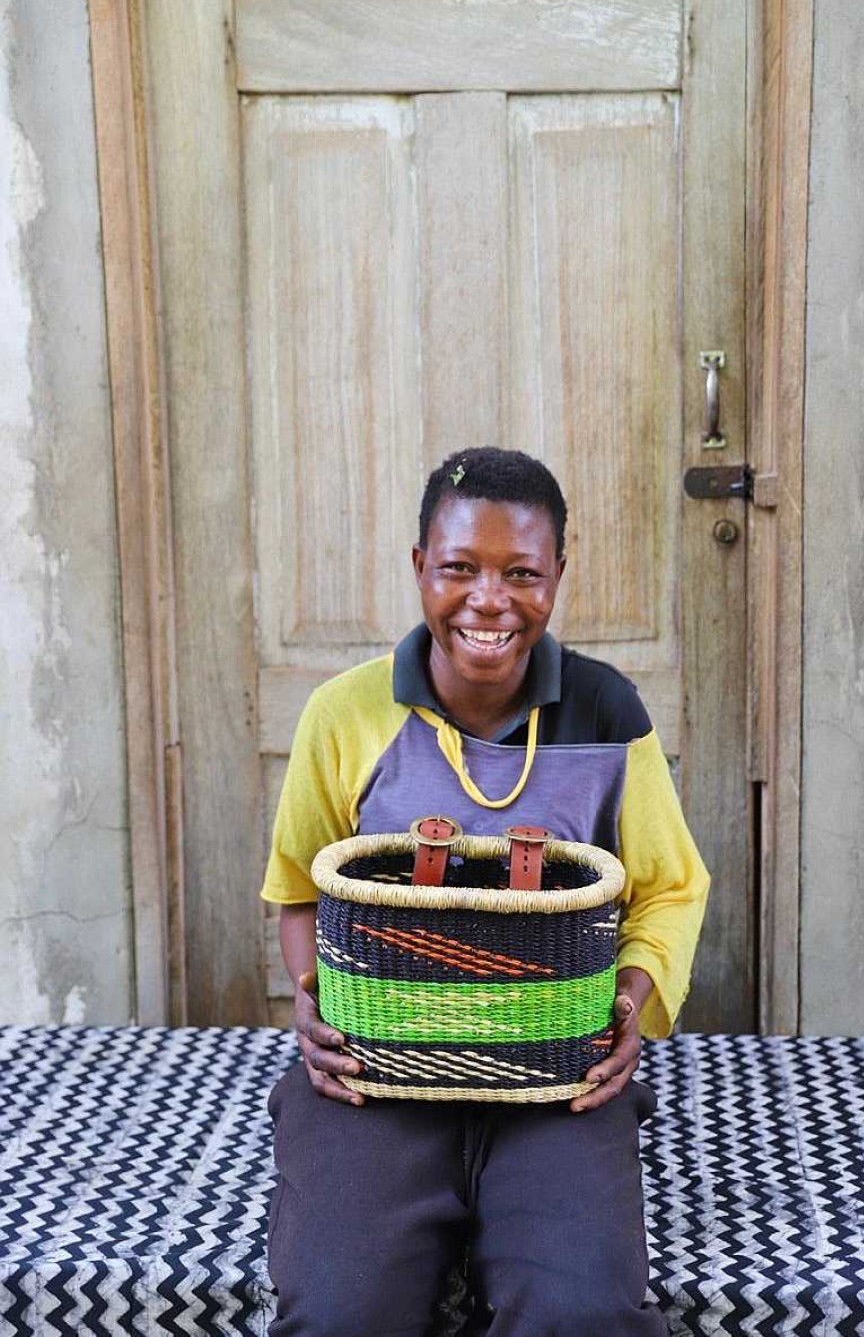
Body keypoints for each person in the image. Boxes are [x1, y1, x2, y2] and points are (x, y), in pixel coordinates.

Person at [262, 446, 710, 1336]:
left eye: (522, 572)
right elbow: (298, 890)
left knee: (581, 1309)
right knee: (343, 1308)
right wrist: (315, 1002)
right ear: (419, 567)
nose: (489, 599)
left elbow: (668, 888)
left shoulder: (605, 712)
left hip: (557, 1075)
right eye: (459, 567)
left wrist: (628, 1003)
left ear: (557, 577)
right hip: (379, 1073)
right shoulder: (344, 714)